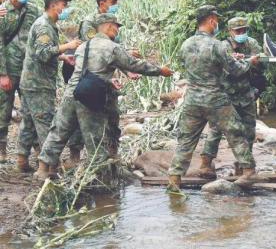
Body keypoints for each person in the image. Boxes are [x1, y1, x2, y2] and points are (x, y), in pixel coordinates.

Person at [36, 13, 173, 179]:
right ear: (108, 26)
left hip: (72, 92)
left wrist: (108, 81)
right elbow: (134, 65)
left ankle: (42, 170)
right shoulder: (111, 47)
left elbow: (90, 71)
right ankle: (99, 175)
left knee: (58, 131)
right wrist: (160, 70)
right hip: (89, 96)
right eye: (116, 27)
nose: (117, 30)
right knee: (94, 136)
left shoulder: (83, 46)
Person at [167, 6, 260, 190]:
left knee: (186, 140)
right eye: (216, 20)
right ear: (211, 21)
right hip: (215, 99)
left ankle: (174, 179)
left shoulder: (186, 44)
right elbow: (235, 69)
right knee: (236, 132)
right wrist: (249, 61)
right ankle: (249, 171)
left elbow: (187, 66)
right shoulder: (216, 45)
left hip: (192, 99)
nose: (216, 24)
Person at [16, 0, 81, 172]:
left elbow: (41, 52)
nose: (65, 8)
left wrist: (63, 58)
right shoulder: (44, 26)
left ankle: (21, 161)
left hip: (31, 82)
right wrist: (67, 47)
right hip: (38, 84)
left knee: (28, 123)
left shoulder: (47, 24)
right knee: (45, 123)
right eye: (63, 4)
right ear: (53, 5)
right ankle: (50, 166)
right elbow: (43, 53)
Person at [200, 16, 262, 178]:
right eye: (238, 31)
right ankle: (205, 164)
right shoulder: (223, 46)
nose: (242, 33)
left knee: (249, 130)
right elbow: (229, 69)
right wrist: (246, 62)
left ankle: (242, 165)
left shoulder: (252, 43)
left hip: (246, 94)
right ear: (230, 31)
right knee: (216, 130)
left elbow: (262, 62)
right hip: (226, 95)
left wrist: (255, 62)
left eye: (244, 30)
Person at [0, 0, 39, 164]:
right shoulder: (2, 13)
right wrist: (3, 74)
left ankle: (36, 149)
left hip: (29, 70)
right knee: (3, 112)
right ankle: (1, 151)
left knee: (31, 110)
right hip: (9, 69)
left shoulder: (33, 11)